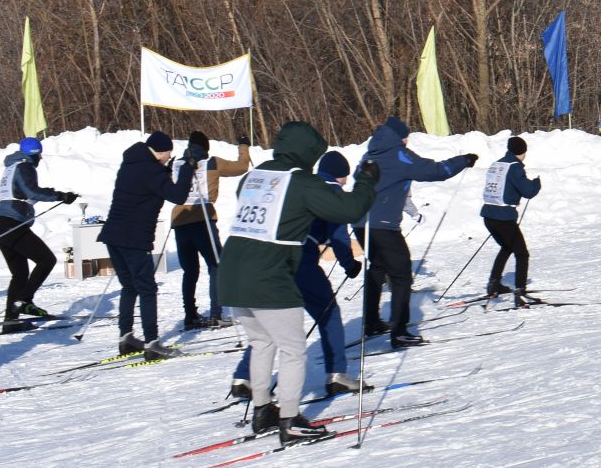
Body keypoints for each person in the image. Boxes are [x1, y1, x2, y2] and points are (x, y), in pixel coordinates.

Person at [220, 124, 382, 440]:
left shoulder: (251, 178)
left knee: (262, 343)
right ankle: (290, 420)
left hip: (232, 273)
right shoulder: (301, 181)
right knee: (293, 350)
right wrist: (366, 180)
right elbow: (347, 209)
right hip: (269, 274)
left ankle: (263, 411)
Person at [357, 117, 478, 349]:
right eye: (406, 136)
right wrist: (463, 160)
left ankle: (371, 322)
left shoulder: (369, 154)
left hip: (361, 222)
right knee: (401, 274)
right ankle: (400, 331)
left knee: (378, 267)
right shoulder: (399, 154)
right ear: (400, 137)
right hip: (383, 224)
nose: (407, 140)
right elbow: (434, 171)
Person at [98, 131, 199, 359]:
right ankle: (152, 343)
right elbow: (178, 196)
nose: (168, 157)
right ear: (161, 151)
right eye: (168, 154)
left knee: (129, 286)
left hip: (113, 235)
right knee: (147, 289)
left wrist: (164, 170)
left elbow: (149, 186)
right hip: (133, 238)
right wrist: (187, 169)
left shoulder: (131, 163)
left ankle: (126, 338)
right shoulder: (151, 170)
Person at [0, 136, 79, 331]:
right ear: (36, 155)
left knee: (20, 274)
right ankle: (24, 301)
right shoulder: (24, 166)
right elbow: (31, 192)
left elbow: (23, 194)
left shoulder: (12, 166)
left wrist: (53, 194)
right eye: (39, 156)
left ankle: (11, 321)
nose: (40, 159)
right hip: (12, 225)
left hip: (1, 226)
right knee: (46, 260)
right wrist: (60, 196)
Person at [171, 130, 252, 330]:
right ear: (206, 149)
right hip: (203, 218)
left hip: (180, 220)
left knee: (190, 271)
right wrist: (243, 146)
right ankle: (216, 314)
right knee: (216, 265)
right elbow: (241, 167)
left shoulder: (176, 164)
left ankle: (190, 315)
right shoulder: (212, 163)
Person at [480, 136, 542, 303]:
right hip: (503, 217)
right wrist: (536, 183)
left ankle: (494, 285)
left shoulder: (497, 164)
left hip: (488, 215)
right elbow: (528, 191)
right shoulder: (515, 167)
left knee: (507, 247)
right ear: (521, 152)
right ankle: (520, 289)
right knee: (522, 253)